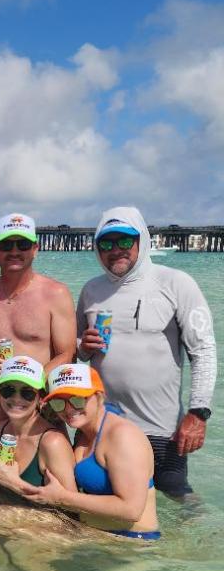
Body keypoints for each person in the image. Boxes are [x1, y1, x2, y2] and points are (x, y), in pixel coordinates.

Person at [76, 206, 216, 498]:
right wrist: (83, 346)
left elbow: (203, 351)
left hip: (162, 430)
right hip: (103, 425)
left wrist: (198, 413)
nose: (116, 250)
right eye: (107, 243)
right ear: (96, 248)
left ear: (142, 239)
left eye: (125, 241)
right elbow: (78, 350)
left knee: (178, 502)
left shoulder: (176, 283)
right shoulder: (91, 290)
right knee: (102, 503)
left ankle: (199, 543)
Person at [20, 363, 160, 540]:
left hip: (130, 543)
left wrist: (62, 498)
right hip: (94, 535)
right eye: (58, 402)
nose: (69, 409)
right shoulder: (84, 431)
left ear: (99, 396)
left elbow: (131, 509)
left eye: (78, 399)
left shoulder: (122, 436)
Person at [0, 213, 76, 387]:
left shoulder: (56, 294)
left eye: (23, 244)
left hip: (38, 395)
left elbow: (67, 354)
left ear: (35, 249)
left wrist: (32, 382)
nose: (14, 251)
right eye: (6, 245)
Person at [0, 356, 76, 496]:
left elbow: (73, 510)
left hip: (36, 517)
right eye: (8, 390)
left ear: (40, 398)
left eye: (27, 393)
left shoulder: (52, 443)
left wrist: (16, 484)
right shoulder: (0, 430)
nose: (17, 399)